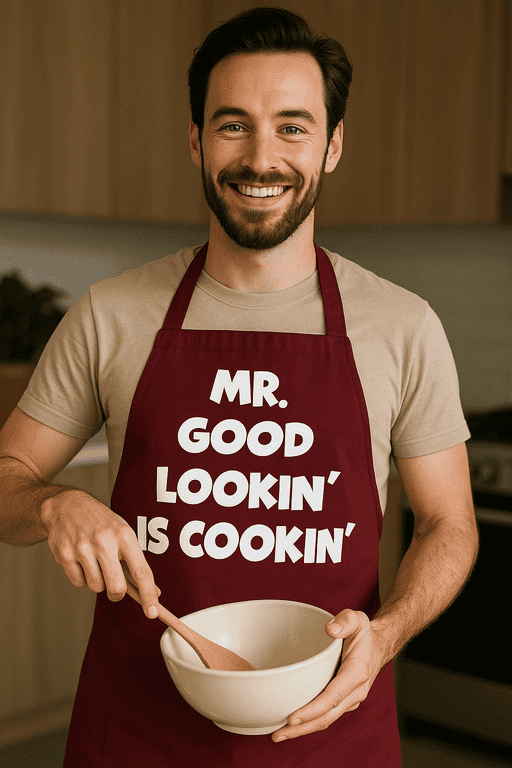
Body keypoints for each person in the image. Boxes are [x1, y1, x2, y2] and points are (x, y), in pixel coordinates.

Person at [0, 7, 478, 767]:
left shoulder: (401, 325)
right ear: (195, 141)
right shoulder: (113, 313)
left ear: (333, 146)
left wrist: (384, 636)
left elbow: (449, 522)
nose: (262, 157)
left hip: (331, 733)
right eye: (232, 125)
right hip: (137, 732)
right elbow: (7, 481)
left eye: (292, 127)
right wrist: (55, 504)